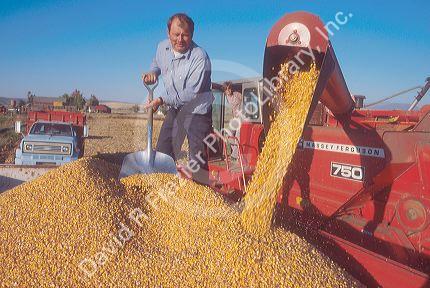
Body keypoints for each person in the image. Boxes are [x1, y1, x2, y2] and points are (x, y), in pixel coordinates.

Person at [142, 13, 214, 185]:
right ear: (168, 33)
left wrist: (161, 99)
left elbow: (191, 93)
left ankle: (199, 196)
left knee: (197, 161)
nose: (180, 39)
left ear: (192, 34)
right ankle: (163, 190)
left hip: (197, 111)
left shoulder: (199, 57)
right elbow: (156, 63)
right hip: (176, 109)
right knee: (163, 153)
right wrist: (153, 72)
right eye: (176, 34)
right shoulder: (162, 48)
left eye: (185, 35)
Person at [222, 81, 243, 159]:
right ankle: (236, 153)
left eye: (229, 89)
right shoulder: (226, 97)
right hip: (234, 119)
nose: (228, 91)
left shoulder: (237, 94)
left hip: (241, 118)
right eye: (226, 89)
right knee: (229, 135)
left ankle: (234, 156)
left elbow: (246, 100)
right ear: (224, 91)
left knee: (238, 135)